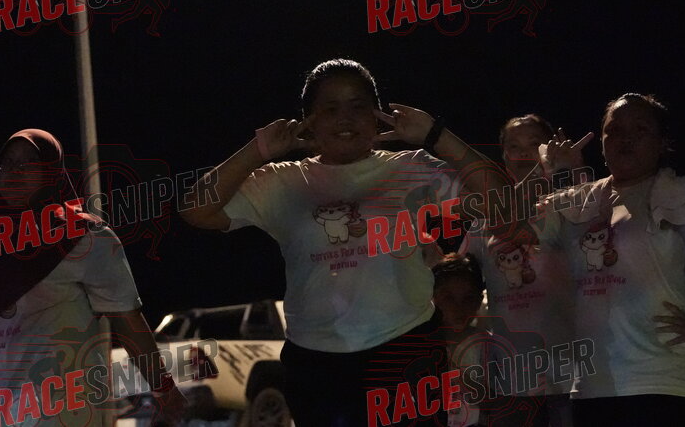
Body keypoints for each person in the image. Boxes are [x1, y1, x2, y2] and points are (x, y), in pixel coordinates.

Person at [181, 58, 521, 426]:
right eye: (330, 108)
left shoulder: (410, 167)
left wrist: (437, 135)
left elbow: (504, 202)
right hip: (317, 363)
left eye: (358, 106)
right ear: (308, 121)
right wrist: (257, 149)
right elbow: (196, 210)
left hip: (404, 351)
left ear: (377, 115)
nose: (345, 118)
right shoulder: (281, 181)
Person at [0, 129, 187, 426]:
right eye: (6, 163)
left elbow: (127, 320)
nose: (14, 171)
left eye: (27, 163)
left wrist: (163, 387)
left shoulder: (85, 237)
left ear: (51, 171)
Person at [534, 94, 685, 427]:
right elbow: (535, 232)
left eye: (640, 129)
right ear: (602, 140)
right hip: (593, 385)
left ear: (662, 143)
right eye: (615, 130)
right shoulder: (588, 199)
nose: (626, 138)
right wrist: (559, 171)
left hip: (663, 381)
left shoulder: (679, 192)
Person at [460, 114, 590, 427]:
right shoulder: (484, 220)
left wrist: (571, 170)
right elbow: (459, 278)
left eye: (533, 144)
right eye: (513, 146)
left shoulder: (568, 202)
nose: (523, 154)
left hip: (571, 373)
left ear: (549, 149)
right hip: (511, 379)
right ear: (504, 155)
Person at [432, 253, 486, 427]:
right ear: (434, 299)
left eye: (468, 298)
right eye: (449, 298)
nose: (458, 307)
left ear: (478, 300)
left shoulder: (486, 345)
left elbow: (494, 399)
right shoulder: (425, 346)